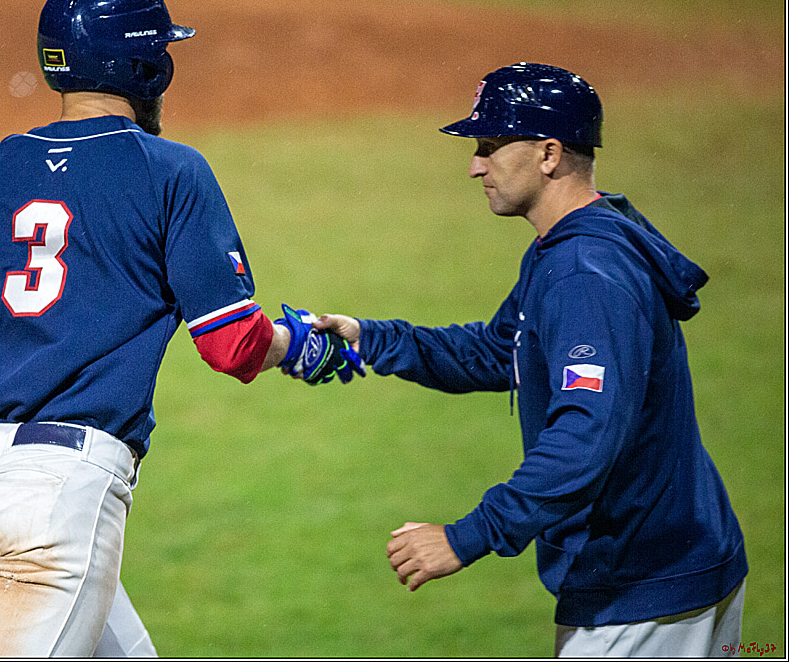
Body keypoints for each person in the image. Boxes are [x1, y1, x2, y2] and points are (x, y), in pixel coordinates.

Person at [0, 0, 359, 657]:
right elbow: (232, 342)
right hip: (52, 516)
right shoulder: (168, 171)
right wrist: (302, 346)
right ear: (147, 69)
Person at [315, 62, 748, 657]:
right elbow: (498, 351)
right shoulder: (569, 246)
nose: (474, 164)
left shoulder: (585, 272)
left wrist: (467, 537)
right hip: (671, 566)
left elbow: (585, 436)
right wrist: (370, 337)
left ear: (548, 153)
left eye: (491, 146)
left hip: (644, 591)